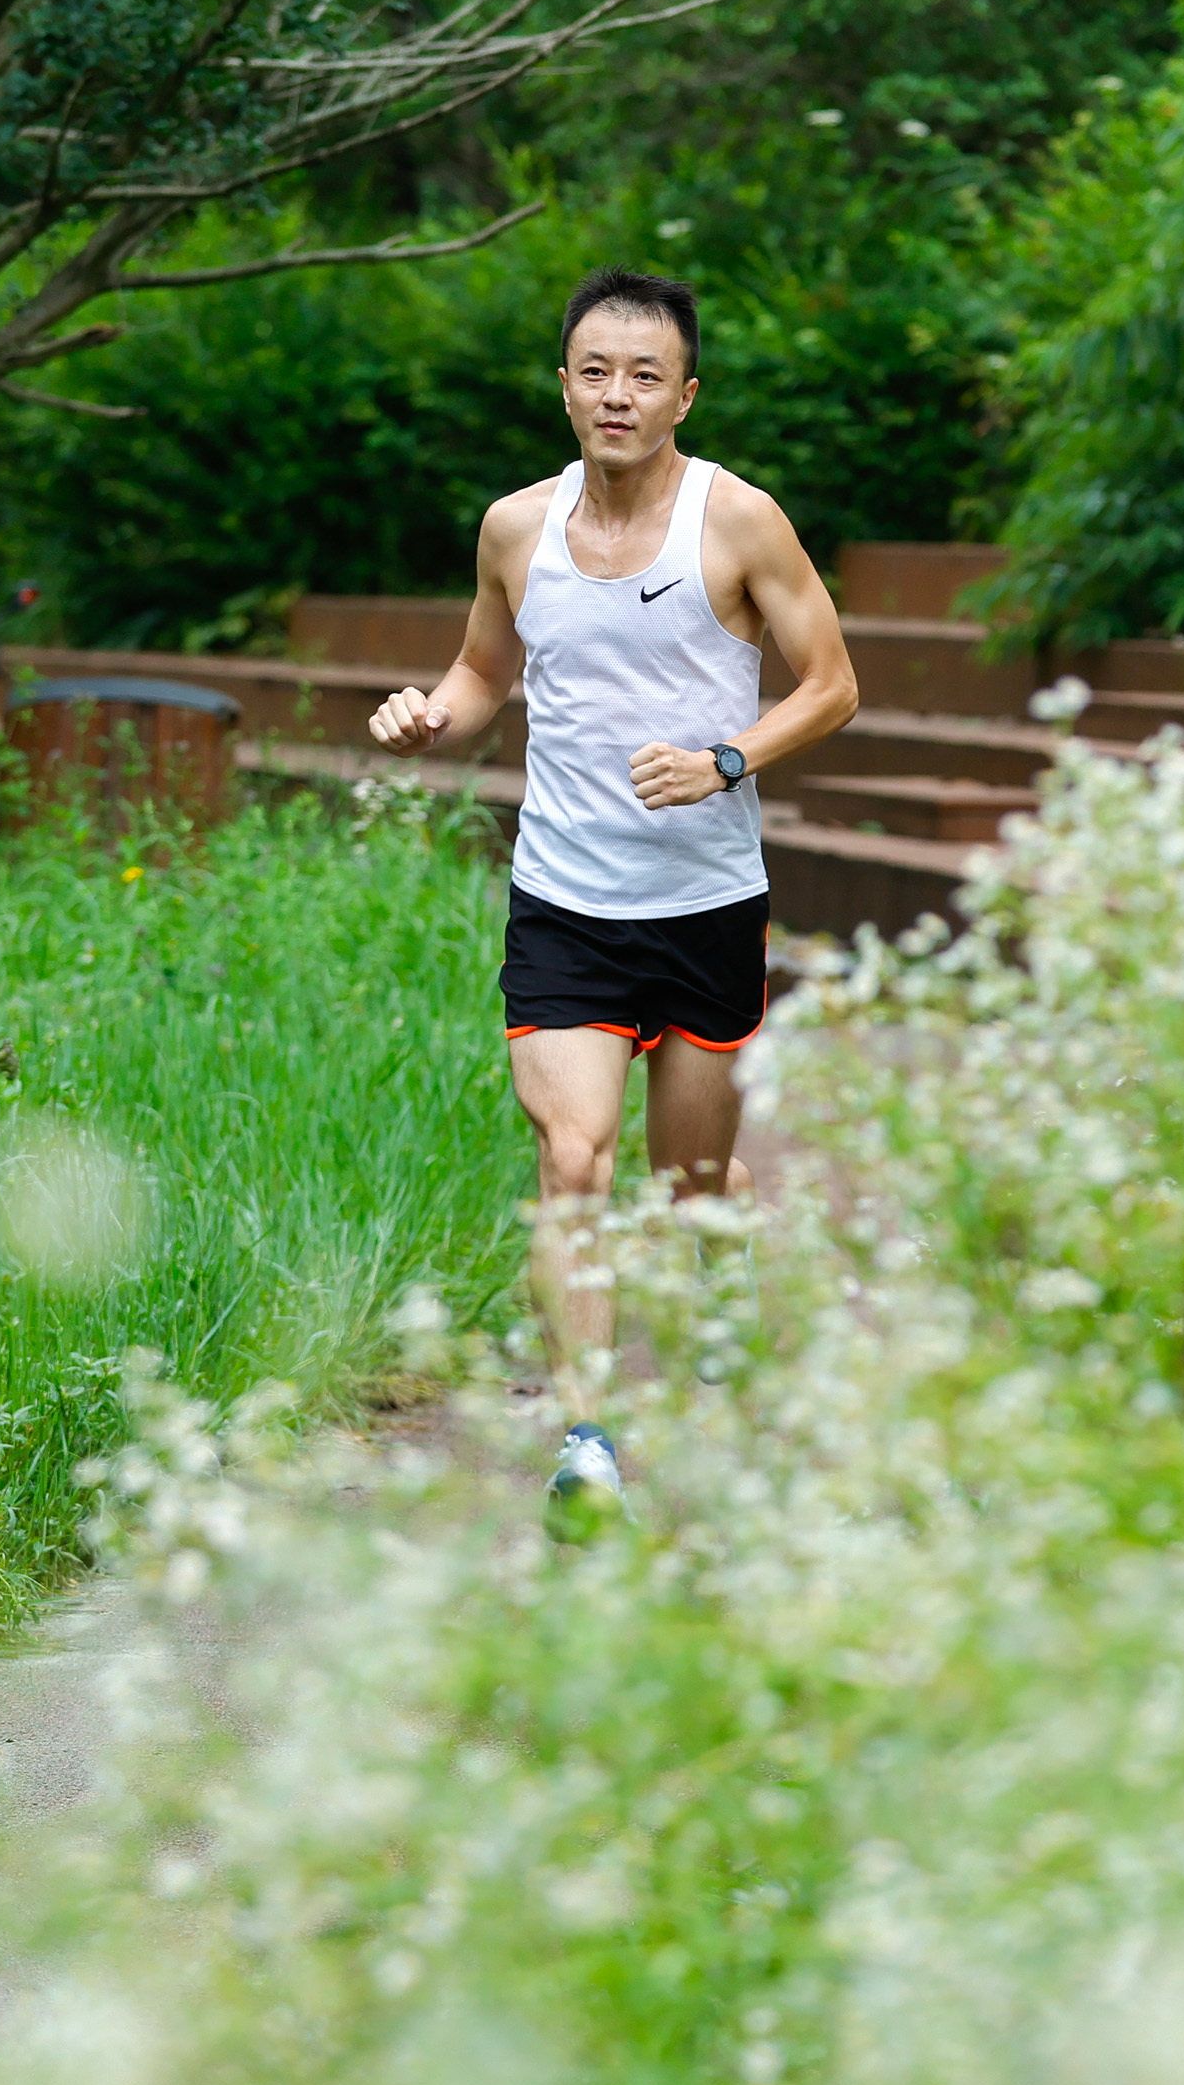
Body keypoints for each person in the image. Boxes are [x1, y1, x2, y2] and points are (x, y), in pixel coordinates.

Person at [367, 268, 859, 1524]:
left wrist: (725, 759)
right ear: (565, 384)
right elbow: (484, 669)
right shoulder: (515, 529)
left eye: (646, 375)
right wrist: (433, 714)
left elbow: (833, 683)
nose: (618, 394)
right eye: (596, 370)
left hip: (704, 905)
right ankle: (585, 1439)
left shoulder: (739, 521)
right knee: (572, 1158)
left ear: (684, 394)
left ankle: (725, 1242)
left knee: (692, 1190)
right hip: (565, 899)